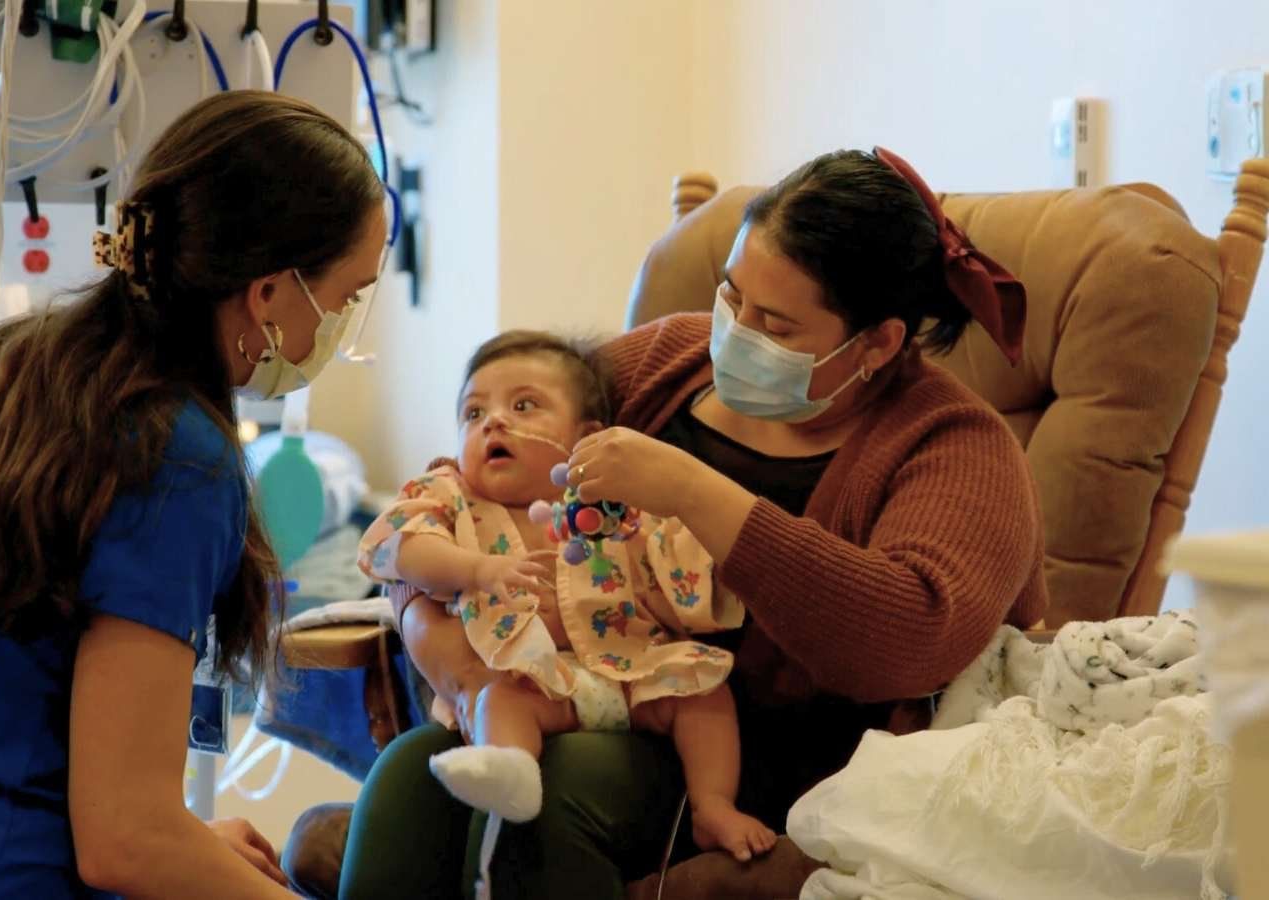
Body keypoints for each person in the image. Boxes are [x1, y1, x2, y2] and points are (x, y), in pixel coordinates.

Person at [331, 146, 1048, 900]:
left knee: (563, 785)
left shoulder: (954, 447)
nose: (734, 332)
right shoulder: (663, 365)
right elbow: (469, 485)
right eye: (730, 296)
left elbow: (907, 643)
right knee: (410, 778)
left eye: (775, 323)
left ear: (877, 343)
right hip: (573, 698)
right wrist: (433, 632)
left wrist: (694, 492)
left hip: (767, 762)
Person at [0, 90, 388, 898]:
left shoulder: (4, 376)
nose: (337, 329)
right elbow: (125, 841)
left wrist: (187, 842)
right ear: (268, 294)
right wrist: (169, 843)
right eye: (343, 299)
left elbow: (3, 702)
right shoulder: (175, 456)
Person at [356, 331, 776, 866]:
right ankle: (511, 774)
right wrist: (476, 569)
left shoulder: (620, 505)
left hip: (636, 676)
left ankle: (712, 806)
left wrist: (658, 552)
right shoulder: (449, 496)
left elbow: (689, 587)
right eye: (473, 412)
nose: (493, 422)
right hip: (536, 685)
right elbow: (399, 547)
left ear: (589, 438)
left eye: (523, 405)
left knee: (707, 695)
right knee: (496, 702)